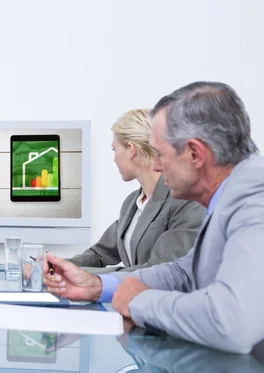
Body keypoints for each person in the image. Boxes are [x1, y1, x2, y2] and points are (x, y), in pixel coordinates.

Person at [43, 81, 264, 354]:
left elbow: (231, 322)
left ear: (196, 153)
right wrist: (98, 286)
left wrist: (138, 302)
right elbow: (184, 271)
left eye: (160, 154)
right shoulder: (230, 194)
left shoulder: (256, 198)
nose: (156, 165)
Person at [67, 109, 204, 273]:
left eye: (114, 150)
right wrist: (58, 266)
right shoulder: (133, 202)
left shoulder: (186, 200)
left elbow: (157, 271)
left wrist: (86, 277)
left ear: (131, 149)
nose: (114, 158)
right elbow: (100, 254)